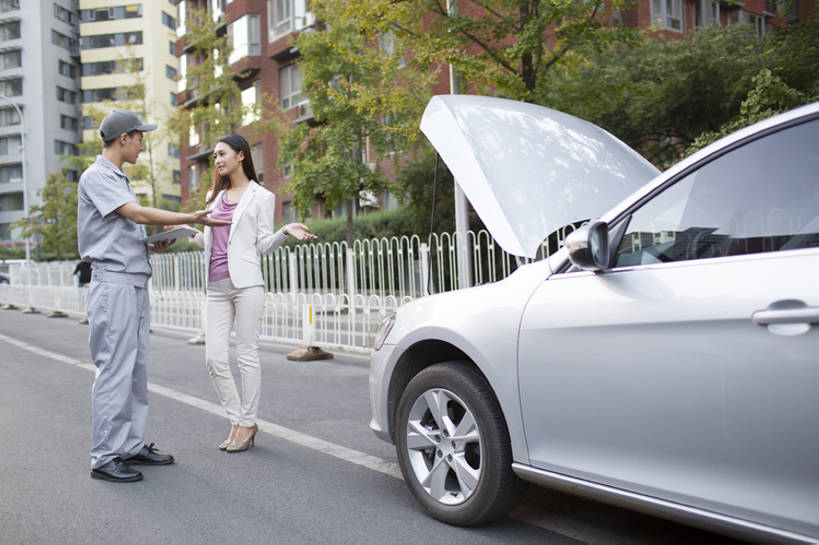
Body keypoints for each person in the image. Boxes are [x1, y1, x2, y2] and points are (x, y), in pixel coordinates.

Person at [78, 110, 230, 483]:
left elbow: (127, 227)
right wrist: (188, 217)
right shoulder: (97, 175)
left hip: (131, 280)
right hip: (113, 284)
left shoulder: (118, 178)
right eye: (140, 137)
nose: (143, 143)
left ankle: (128, 445)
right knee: (114, 369)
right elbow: (136, 214)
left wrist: (155, 243)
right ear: (123, 139)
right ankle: (104, 455)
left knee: (135, 368)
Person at [189, 134, 316, 453]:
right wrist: (186, 232)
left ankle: (247, 423)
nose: (217, 160)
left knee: (246, 356)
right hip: (215, 287)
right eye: (214, 156)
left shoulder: (262, 196)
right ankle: (238, 419)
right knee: (214, 357)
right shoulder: (212, 197)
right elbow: (212, 243)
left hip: (246, 285)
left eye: (222, 154)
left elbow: (261, 245)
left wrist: (284, 232)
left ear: (241, 155)